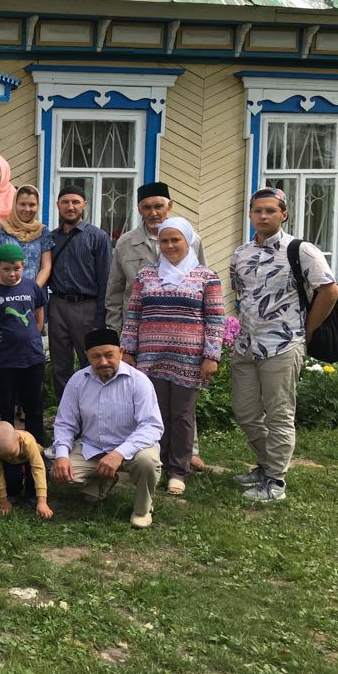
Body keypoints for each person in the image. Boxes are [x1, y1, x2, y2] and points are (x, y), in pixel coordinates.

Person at [229, 186, 338, 503]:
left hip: (284, 344)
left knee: (279, 414)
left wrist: (308, 329)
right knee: (245, 411)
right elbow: (242, 295)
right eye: (257, 211)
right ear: (250, 215)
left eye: (270, 211)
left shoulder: (301, 250)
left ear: (283, 215)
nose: (263, 216)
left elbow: (329, 291)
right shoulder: (240, 254)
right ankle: (267, 464)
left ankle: (275, 481)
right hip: (246, 345)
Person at [106, 182, 209, 470]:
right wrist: (117, 335)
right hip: (141, 333)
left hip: (183, 335)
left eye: (158, 206)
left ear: (169, 206)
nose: (153, 212)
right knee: (144, 394)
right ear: (139, 209)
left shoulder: (191, 239)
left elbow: (203, 281)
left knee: (182, 395)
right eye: (147, 207)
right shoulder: (126, 243)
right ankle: (146, 449)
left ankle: (188, 451)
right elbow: (114, 291)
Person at [120, 218, 224, 496]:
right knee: (155, 414)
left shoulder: (206, 276)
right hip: (150, 357)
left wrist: (211, 356)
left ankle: (178, 471)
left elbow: (216, 320)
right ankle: (157, 464)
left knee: (181, 415)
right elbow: (133, 315)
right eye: (164, 241)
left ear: (187, 241)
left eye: (175, 240)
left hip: (188, 358)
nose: (169, 246)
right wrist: (127, 351)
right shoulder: (146, 275)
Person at [50, 328, 163, 529]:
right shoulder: (78, 381)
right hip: (93, 447)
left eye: (109, 355)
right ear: (87, 356)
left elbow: (152, 426)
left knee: (148, 462)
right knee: (60, 473)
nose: (103, 362)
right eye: (96, 356)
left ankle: (142, 510)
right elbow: (65, 423)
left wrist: (119, 453)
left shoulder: (139, 381)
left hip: (132, 449)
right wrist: (61, 456)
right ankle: (102, 481)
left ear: (120, 352)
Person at [48, 186, 112, 398]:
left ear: (84, 204)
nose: (70, 207)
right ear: (58, 205)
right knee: (60, 364)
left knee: (90, 361)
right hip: (58, 304)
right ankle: (65, 411)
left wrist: (100, 317)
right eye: (65, 202)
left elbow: (105, 280)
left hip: (87, 307)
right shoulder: (51, 238)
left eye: (75, 202)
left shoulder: (98, 237)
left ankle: (92, 408)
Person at [0, 243, 46, 443]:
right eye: (6, 269)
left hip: (32, 358)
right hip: (3, 360)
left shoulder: (32, 286)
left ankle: (36, 447)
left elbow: (39, 314)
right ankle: (7, 448)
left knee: (34, 407)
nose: (12, 273)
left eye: (16, 268)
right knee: (6, 407)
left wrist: (32, 336)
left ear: (23, 265)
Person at [0, 185, 53, 290]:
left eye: (32, 205)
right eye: (22, 204)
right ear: (14, 204)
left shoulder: (42, 231)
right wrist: (14, 290)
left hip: (34, 293)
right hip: (5, 292)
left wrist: (32, 291)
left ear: (38, 206)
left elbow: (46, 267)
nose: (27, 209)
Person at [0, 422, 52, 519]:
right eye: (4, 456)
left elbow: (38, 469)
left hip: (34, 457)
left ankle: (33, 495)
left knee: (37, 474)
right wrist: (3, 501)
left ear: (19, 440)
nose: (9, 457)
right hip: (12, 464)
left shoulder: (28, 442)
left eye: (11, 453)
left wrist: (42, 501)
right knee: (11, 475)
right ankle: (12, 494)